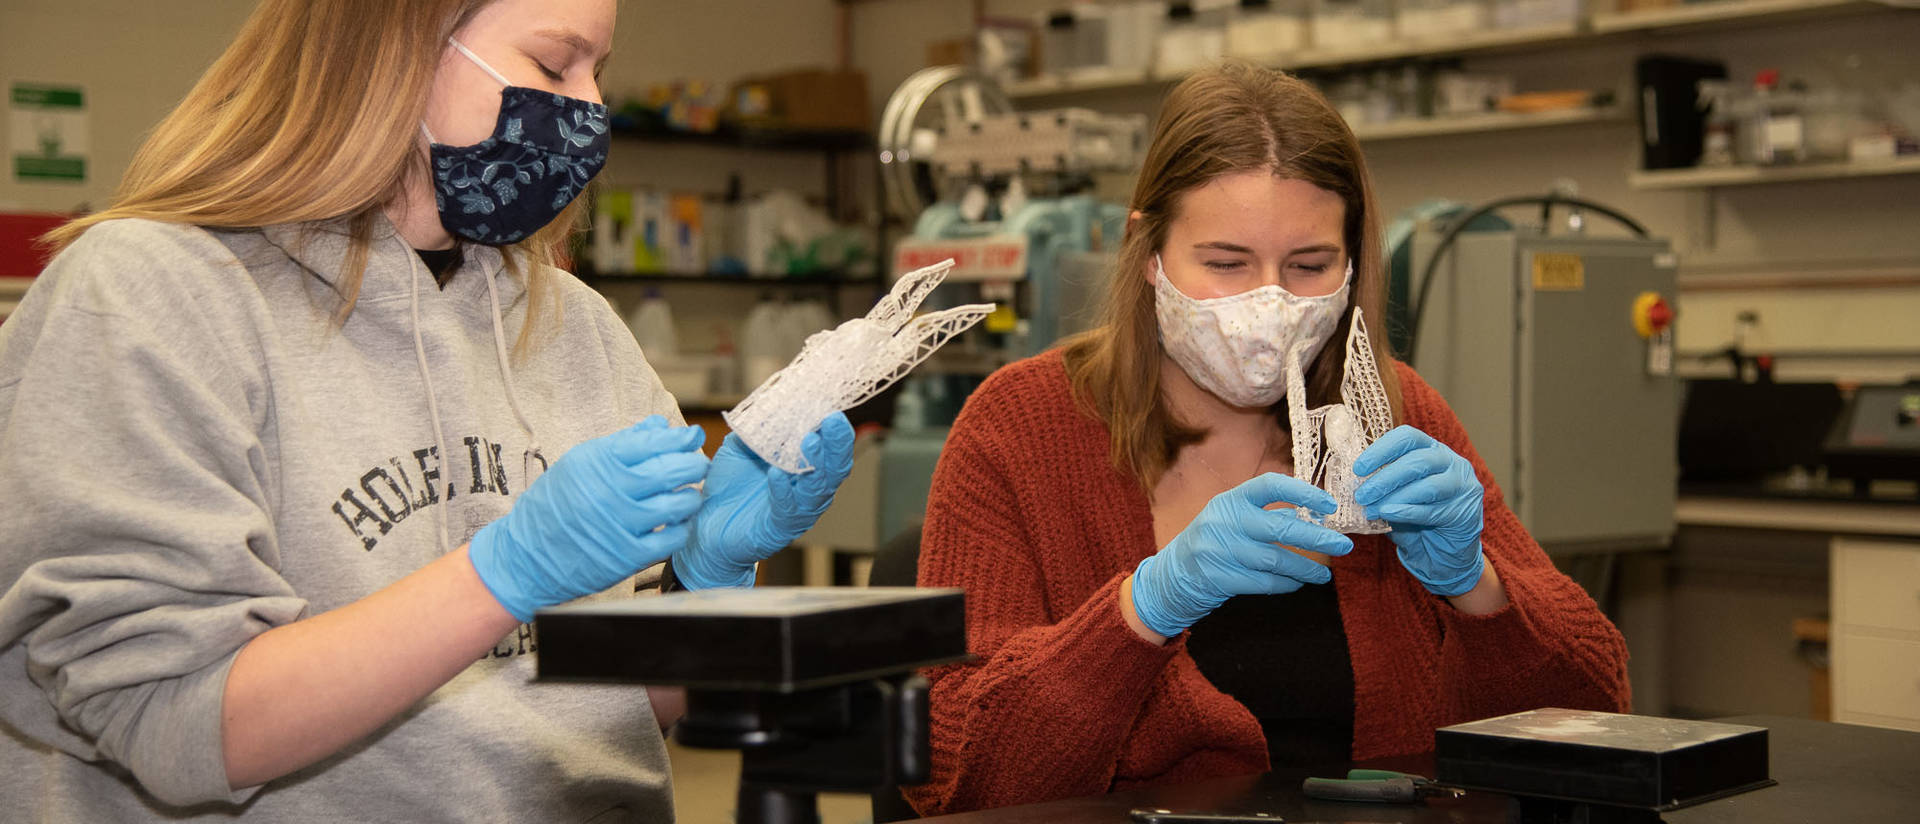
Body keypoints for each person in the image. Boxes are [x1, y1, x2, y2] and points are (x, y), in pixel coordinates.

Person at [0, 0, 854, 820]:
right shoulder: (152, 295)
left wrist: (703, 585)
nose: (591, 106)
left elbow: (631, 715)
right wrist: (503, 574)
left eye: (600, 71)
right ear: (395, 51)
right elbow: (169, 719)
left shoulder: (573, 326)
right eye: (555, 63)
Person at [904, 61, 1630, 816]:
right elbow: (956, 774)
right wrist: (1141, 612)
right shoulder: (1019, 430)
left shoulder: (1394, 411)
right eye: (1226, 263)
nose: (1272, 302)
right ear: (1148, 252)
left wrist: (1479, 590)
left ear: (1352, 263)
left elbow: (1596, 716)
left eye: (1311, 264)